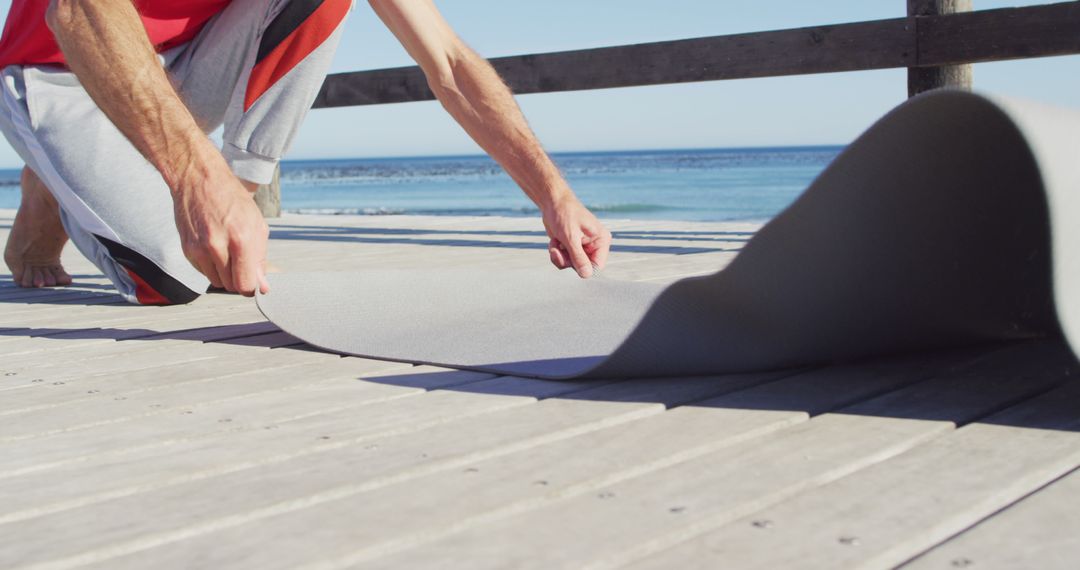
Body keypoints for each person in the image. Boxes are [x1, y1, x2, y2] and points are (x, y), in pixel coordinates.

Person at [0, 0, 612, 304]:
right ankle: (48, 190)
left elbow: (448, 62)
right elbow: (78, 10)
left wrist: (553, 194)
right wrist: (195, 179)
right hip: (59, 66)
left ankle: (235, 202)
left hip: (173, 72)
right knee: (169, 283)